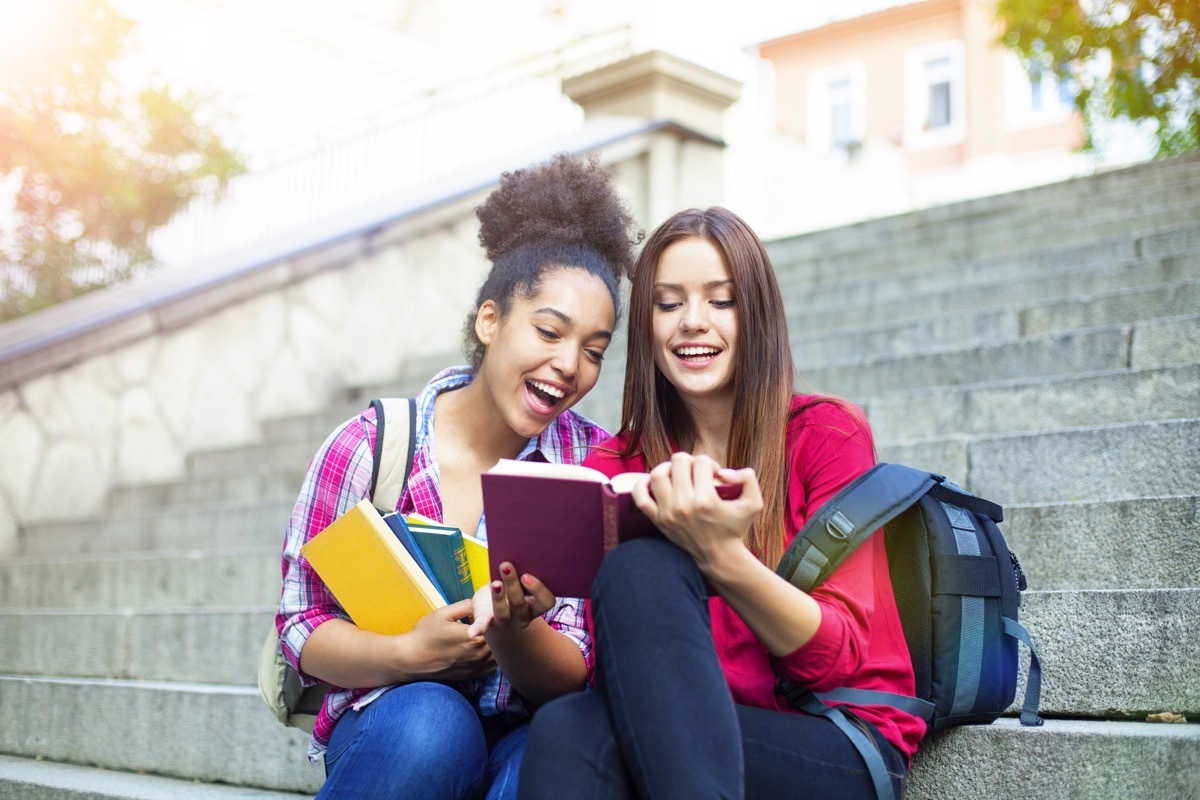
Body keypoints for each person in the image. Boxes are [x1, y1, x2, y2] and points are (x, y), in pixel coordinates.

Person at [518, 207, 925, 800]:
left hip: (832, 734)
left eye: (721, 300)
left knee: (636, 574)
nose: (692, 323)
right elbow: (621, 676)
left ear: (754, 312)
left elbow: (839, 661)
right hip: (680, 736)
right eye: (668, 303)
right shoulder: (612, 468)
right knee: (566, 725)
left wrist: (720, 555)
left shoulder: (826, 435)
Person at [276, 152, 640, 800]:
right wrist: (408, 655)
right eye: (550, 331)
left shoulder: (595, 467)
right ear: (491, 320)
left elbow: (578, 673)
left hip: (532, 727)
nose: (568, 366)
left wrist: (517, 630)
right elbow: (302, 625)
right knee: (432, 727)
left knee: (554, 757)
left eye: (593, 350)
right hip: (398, 725)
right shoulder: (370, 446)